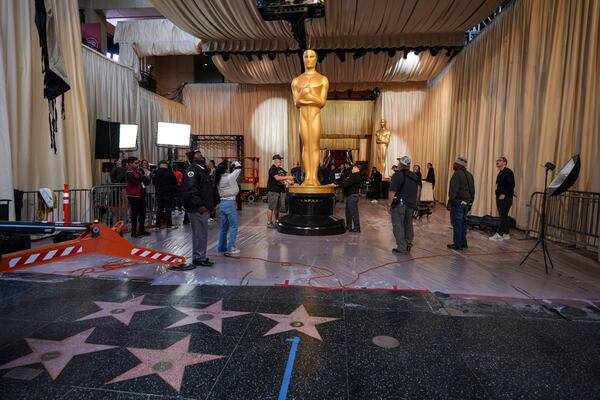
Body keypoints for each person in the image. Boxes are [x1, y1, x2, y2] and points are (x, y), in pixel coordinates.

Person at [291, 49, 328, 187]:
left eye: (312, 56)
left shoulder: (322, 79)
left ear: (316, 59)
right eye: (306, 56)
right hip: (303, 117)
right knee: (306, 147)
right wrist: (305, 96)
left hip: (315, 116)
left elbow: (322, 102)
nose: (308, 59)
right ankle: (308, 177)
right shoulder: (296, 81)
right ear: (303, 59)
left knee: (315, 147)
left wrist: (308, 95)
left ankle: (314, 177)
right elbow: (296, 102)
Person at [183, 150, 215, 267]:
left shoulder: (201, 169)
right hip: (197, 208)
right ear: (193, 158)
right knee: (199, 233)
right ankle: (198, 258)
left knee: (202, 233)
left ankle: (200, 256)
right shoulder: (192, 170)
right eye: (198, 154)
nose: (201, 155)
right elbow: (192, 189)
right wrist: (199, 205)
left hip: (203, 207)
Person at [388, 156, 422, 254]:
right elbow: (418, 190)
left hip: (400, 204)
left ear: (401, 165)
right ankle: (408, 244)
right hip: (411, 204)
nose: (398, 164)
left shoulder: (397, 175)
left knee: (398, 225)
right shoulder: (415, 176)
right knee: (408, 225)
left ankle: (401, 248)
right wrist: (416, 203)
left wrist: (389, 204)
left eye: (399, 163)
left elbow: (392, 191)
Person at [447, 156, 475, 250]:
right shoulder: (470, 175)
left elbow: (453, 190)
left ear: (457, 164)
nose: (453, 165)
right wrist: (471, 202)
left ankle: (457, 244)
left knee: (457, 223)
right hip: (466, 202)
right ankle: (463, 243)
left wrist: (450, 203)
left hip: (458, 202)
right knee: (463, 223)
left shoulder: (457, 174)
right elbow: (472, 190)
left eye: (454, 163)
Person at [216, 160, 243, 255]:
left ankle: (221, 247)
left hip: (222, 204)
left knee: (224, 227)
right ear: (226, 169)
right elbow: (239, 168)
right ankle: (231, 247)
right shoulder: (229, 178)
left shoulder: (219, 178)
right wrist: (235, 162)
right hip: (229, 203)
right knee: (233, 226)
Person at [490, 156, 515, 241]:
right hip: (500, 198)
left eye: (500, 160)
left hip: (505, 198)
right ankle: (506, 234)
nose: (497, 162)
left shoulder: (508, 172)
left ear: (504, 163)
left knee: (502, 217)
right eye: (497, 160)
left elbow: (511, 184)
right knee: (503, 216)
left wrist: (504, 194)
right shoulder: (501, 172)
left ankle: (500, 234)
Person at [125, 156, 151, 238]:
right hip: (133, 195)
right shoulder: (129, 173)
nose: (137, 165)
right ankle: (133, 232)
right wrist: (143, 177)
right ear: (130, 164)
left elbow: (145, 182)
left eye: (137, 163)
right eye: (136, 163)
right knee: (135, 214)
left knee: (143, 213)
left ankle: (141, 229)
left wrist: (147, 178)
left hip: (141, 195)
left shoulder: (139, 172)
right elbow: (135, 182)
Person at [267, 154, 295, 228]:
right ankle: (269, 223)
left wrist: (290, 181)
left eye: (280, 160)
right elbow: (278, 178)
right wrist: (288, 177)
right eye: (279, 160)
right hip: (273, 191)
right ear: (275, 161)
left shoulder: (281, 169)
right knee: (271, 207)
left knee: (277, 207)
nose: (280, 162)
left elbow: (284, 178)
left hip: (280, 190)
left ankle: (277, 221)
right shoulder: (272, 169)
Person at [335, 164, 362, 232]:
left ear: (358, 169)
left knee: (353, 212)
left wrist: (337, 184)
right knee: (348, 212)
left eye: (354, 168)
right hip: (350, 196)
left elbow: (346, 184)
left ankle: (357, 227)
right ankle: (348, 226)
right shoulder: (355, 176)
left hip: (352, 196)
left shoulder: (355, 176)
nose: (352, 169)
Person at [152, 160, 178, 229]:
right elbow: (175, 182)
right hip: (168, 193)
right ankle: (169, 225)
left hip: (159, 193)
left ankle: (157, 225)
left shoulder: (156, 172)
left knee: (159, 209)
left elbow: (153, 182)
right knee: (168, 210)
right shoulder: (170, 172)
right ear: (166, 165)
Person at [207, 160, 217, 224]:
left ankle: (212, 216)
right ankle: (213, 216)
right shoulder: (210, 170)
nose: (208, 165)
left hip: (213, 188)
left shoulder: (214, 171)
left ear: (212, 164)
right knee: (212, 203)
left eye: (209, 163)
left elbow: (213, 180)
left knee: (212, 203)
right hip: (211, 188)